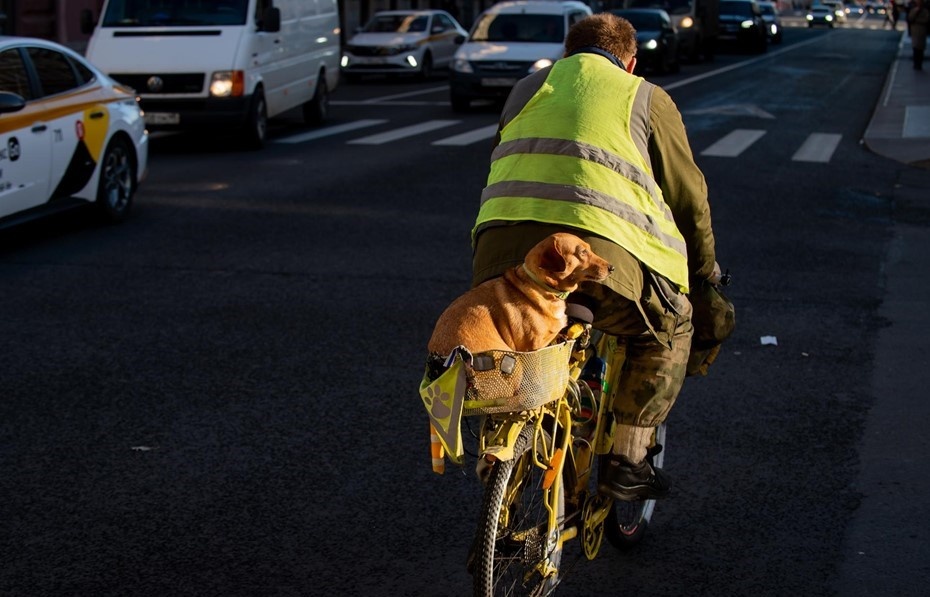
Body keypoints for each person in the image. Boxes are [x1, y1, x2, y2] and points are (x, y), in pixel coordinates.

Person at [469, 13, 722, 502]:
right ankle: (628, 462)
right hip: (601, 265)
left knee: (520, 342)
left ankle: (503, 449)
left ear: (568, 56)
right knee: (669, 330)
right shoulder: (646, 96)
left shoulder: (525, 90)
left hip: (502, 260)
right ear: (630, 62)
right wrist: (705, 268)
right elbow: (689, 199)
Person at [907, 0, 930, 70]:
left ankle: (919, 63)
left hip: (922, 31)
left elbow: (927, 19)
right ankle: (916, 63)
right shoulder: (914, 10)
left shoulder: (925, 11)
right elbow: (910, 18)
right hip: (915, 30)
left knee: (921, 48)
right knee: (915, 47)